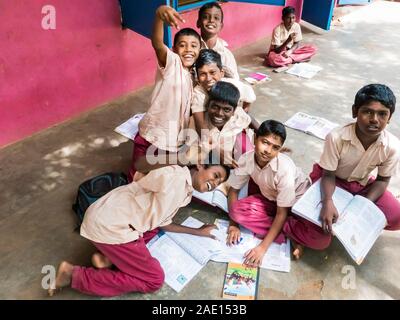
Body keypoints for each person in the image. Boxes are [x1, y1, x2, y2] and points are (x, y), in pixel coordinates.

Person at [48, 160, 230, 297]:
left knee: (153, 230)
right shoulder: (173, 176)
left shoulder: (186, 192)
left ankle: (108, 258)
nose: (215, 183)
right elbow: (141, 171)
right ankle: (73, 275)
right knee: (153, 279)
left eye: (219, 182)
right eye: (215, 175)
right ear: (200, 165)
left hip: (108, 218)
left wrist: (198, 232)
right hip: (111, 226)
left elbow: (163, 223)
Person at [226, 120, 331, 266]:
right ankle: (291, 234)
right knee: (236, 211)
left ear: (280, 149)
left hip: (297, 204)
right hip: (273, 200)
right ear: (255, 138)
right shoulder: (246, 159)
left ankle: (285, 229)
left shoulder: (284, 169)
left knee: (322, 240)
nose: (268, 150)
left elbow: (282, 213)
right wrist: (233, 224)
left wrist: (262, 248)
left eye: (275, 147)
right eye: (265, 142)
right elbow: (233, 191)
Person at [311, 84, 400, 238]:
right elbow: (328, 174)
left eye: (382, 114)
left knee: (396, 216)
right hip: (331, 179)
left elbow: (383, 180)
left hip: (360, 184)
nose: (374, 120)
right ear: (354, 111)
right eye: (367, 112)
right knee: (320, 227)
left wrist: (363, 205)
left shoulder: (392, 146)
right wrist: (327, 201)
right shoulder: (336, 137)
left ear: (390, 117)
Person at [128, 5, 201, 182]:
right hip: (154, 133)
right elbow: (157, 44)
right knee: (137, 177)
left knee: (162, 179)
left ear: (199, 50)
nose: (188, 50)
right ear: (174, 49)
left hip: (173, 139)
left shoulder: (195, 74)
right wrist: (159, 15)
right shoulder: (171, 63)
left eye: (193, 46)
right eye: (182, 45)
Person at [192, 49, 257, 137]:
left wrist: (243, 112)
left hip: (232, 123)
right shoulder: (199, 93)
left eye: (212, 72)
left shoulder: (233, 85)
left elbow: (250, 97)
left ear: (222, 73)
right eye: (203, 74)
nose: (208, 78)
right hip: (212, 127)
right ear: (198, 78)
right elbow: (201, 127)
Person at [197, 2, 239, 79]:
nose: (211, 20)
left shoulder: (226, 55)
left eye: (216, 18)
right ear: (198, 23)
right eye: (206, 17)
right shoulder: (193, 49)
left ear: (221, 26)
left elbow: (234, 81)